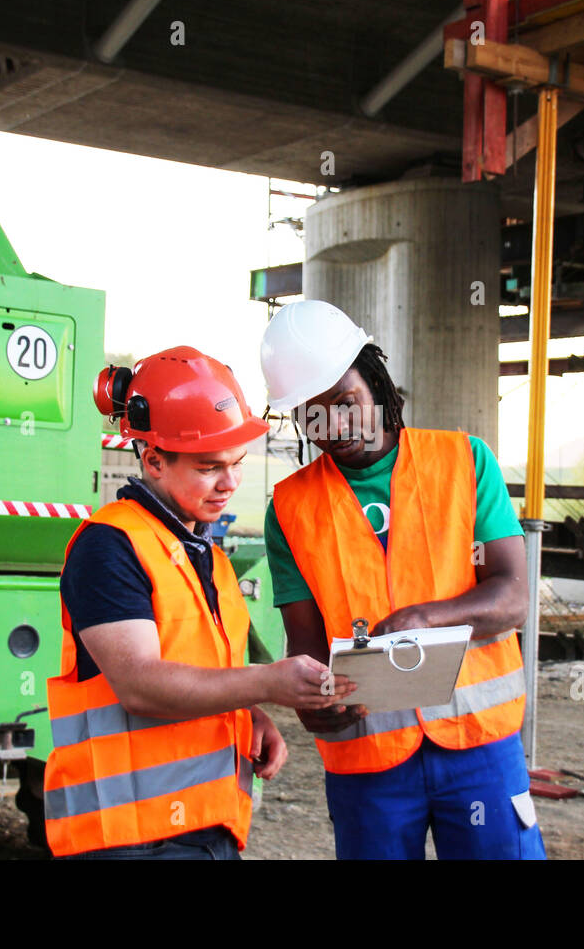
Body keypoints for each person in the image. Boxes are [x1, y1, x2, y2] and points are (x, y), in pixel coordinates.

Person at [260, 301, 547, 860]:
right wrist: (312, 703)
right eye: (312, 415)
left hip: (479, 747)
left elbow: (512, 596)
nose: (335, 428)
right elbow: (305, 637)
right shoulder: (290, 507)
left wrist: (426, 618)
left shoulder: (465, 462)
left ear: (376, 383)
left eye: (346, 403)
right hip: (365, 759)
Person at [44, 345, 354, 860]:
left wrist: (246, 712)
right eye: (210, 467)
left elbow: (197, 670)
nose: (230, 483)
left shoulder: (203, 555)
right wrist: (270, 682)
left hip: (203, 832)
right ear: (154, 460)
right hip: (127, 839)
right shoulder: (109, 546)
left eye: (235, 464)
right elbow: (140, 685)